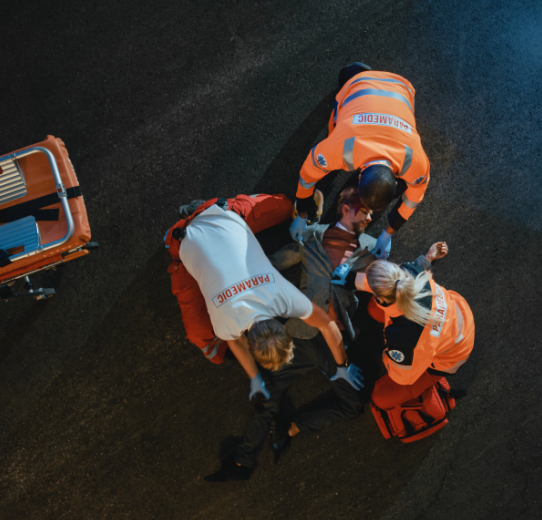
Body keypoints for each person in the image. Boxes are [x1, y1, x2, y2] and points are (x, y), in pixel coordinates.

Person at [262, 187, 451, 454]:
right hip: (302, 331)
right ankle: (271, 424)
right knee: (266, 378)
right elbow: (275, 262)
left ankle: (292, 428)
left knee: (353, 403)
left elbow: (397, 280)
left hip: (337, 340)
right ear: (346, 209)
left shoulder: (372, 248)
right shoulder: (311, 235)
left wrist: (427, 258)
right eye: (365, 212)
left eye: (371, 215)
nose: (369, 219)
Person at [163, 194, 353, 405]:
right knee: (201, 338)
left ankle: (199, 212)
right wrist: (254, 378)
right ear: (250, 343)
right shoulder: (227, 326)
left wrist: (344, 366)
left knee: (285, 207)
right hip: (182, 239)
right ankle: (182, 230)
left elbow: (327, 325)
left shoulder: (284, 298)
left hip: (222, 214)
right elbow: (234, 342)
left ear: (284, 329)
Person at [289, 63, 431, 261]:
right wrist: (301, 215)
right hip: (372, 86)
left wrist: (387, 234)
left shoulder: (416, 162)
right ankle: (357, 73)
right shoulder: (337, 149)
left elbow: (412, 201)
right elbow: (306, 177)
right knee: (335, 125)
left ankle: (364, 74)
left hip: (401, 88)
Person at [356, 256, 474, 413]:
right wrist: (350, 279)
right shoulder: (408, 272)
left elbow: (403, 377)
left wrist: (386, 355)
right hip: (460, 318)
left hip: (451, 358)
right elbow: (385, 283)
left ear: (382, 298)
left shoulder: (405, 340)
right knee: (374, 309)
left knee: (381, 398)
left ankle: (429, 384)